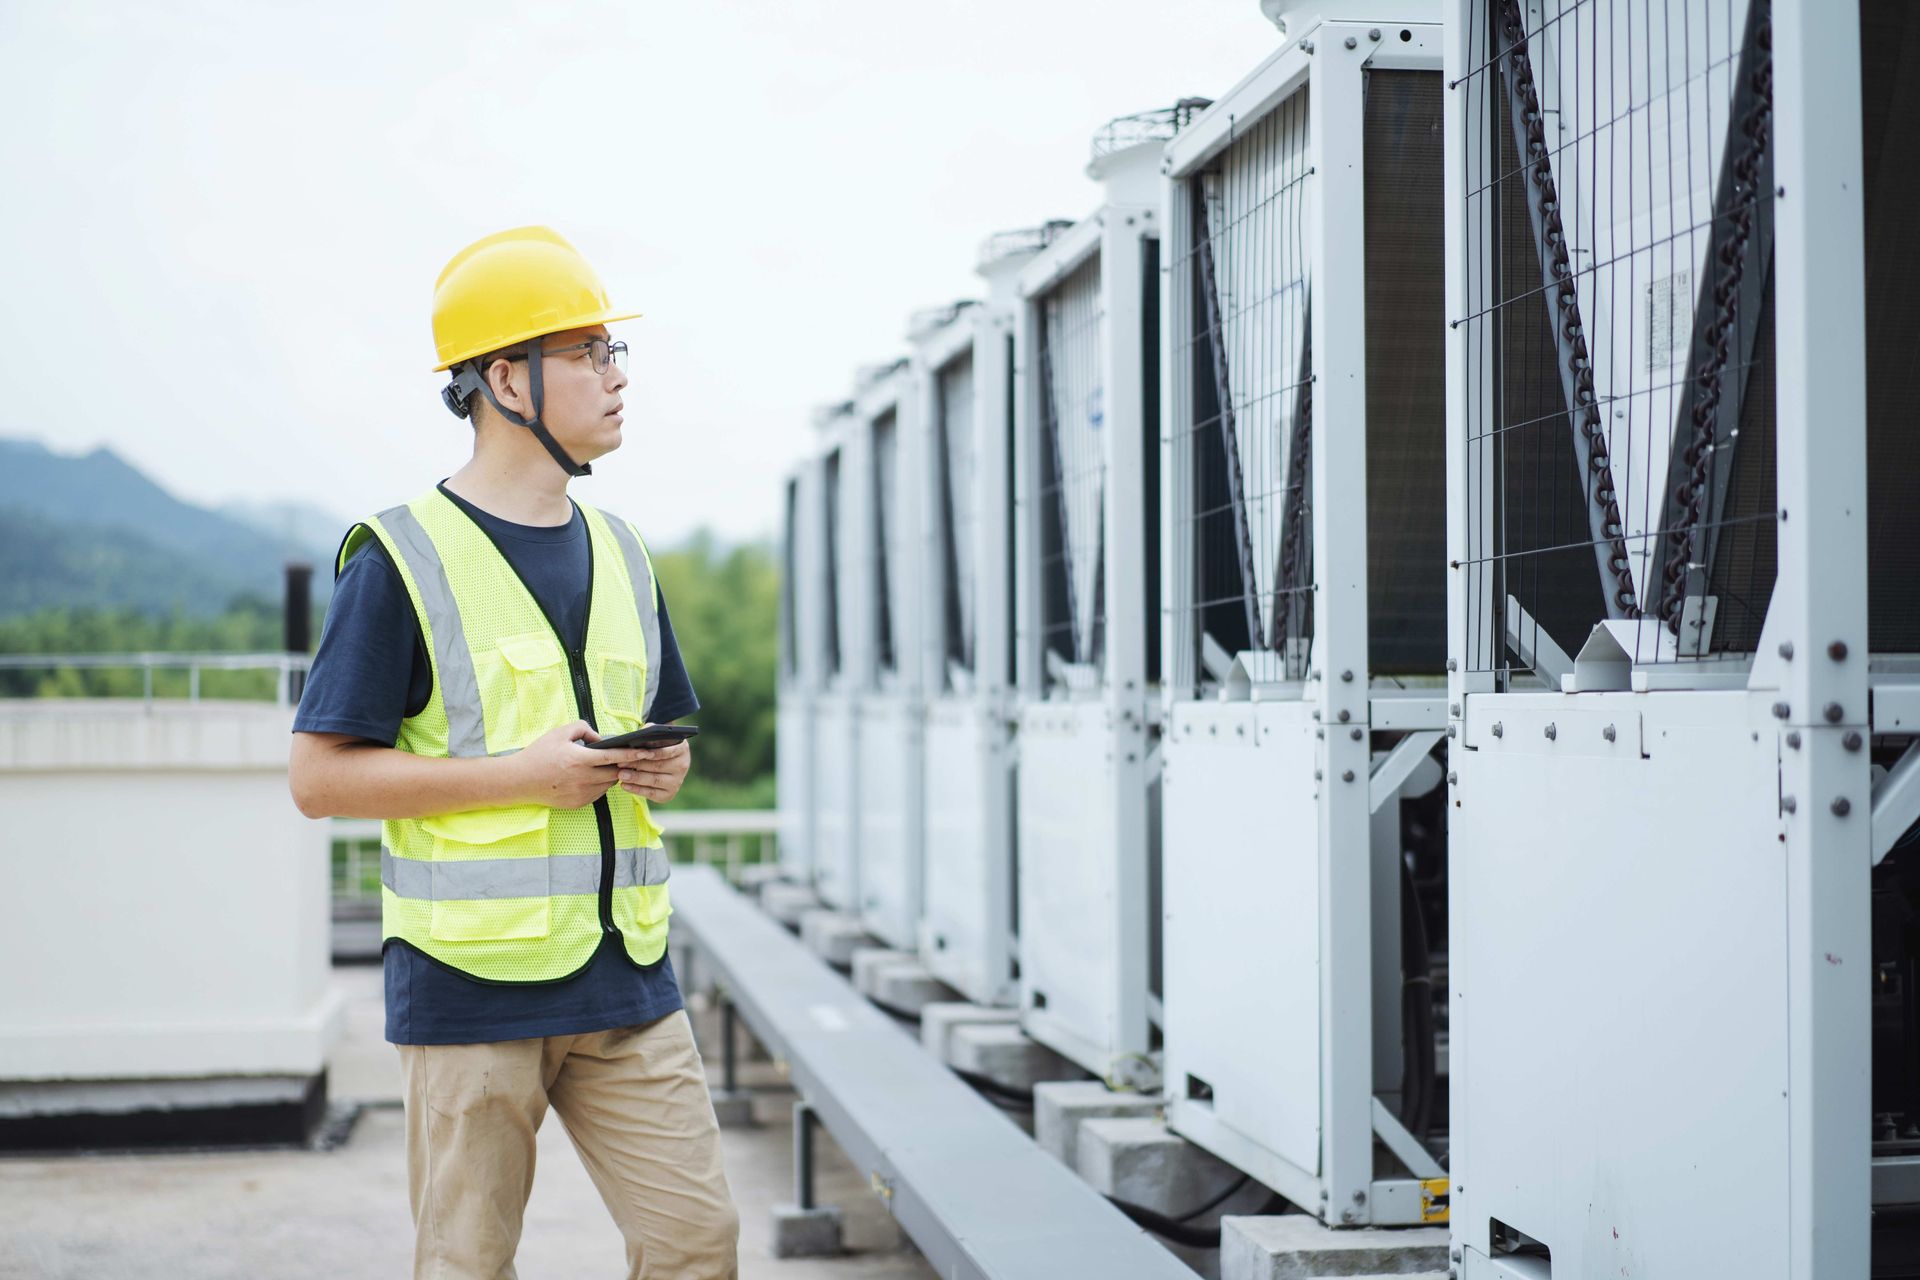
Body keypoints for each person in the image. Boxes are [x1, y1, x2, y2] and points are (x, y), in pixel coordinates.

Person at [288, 225, 740, 1279]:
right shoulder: (399, 556)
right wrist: (520, 776)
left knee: (696, 1241)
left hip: (626, 976)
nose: (616, 376)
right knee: (467, 1263)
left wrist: (661, 768)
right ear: (507, 378)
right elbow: (318, 778)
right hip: (471, 987)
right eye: (590, 352)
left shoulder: (624, 548)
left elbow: (659, 731)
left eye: (613, 352)